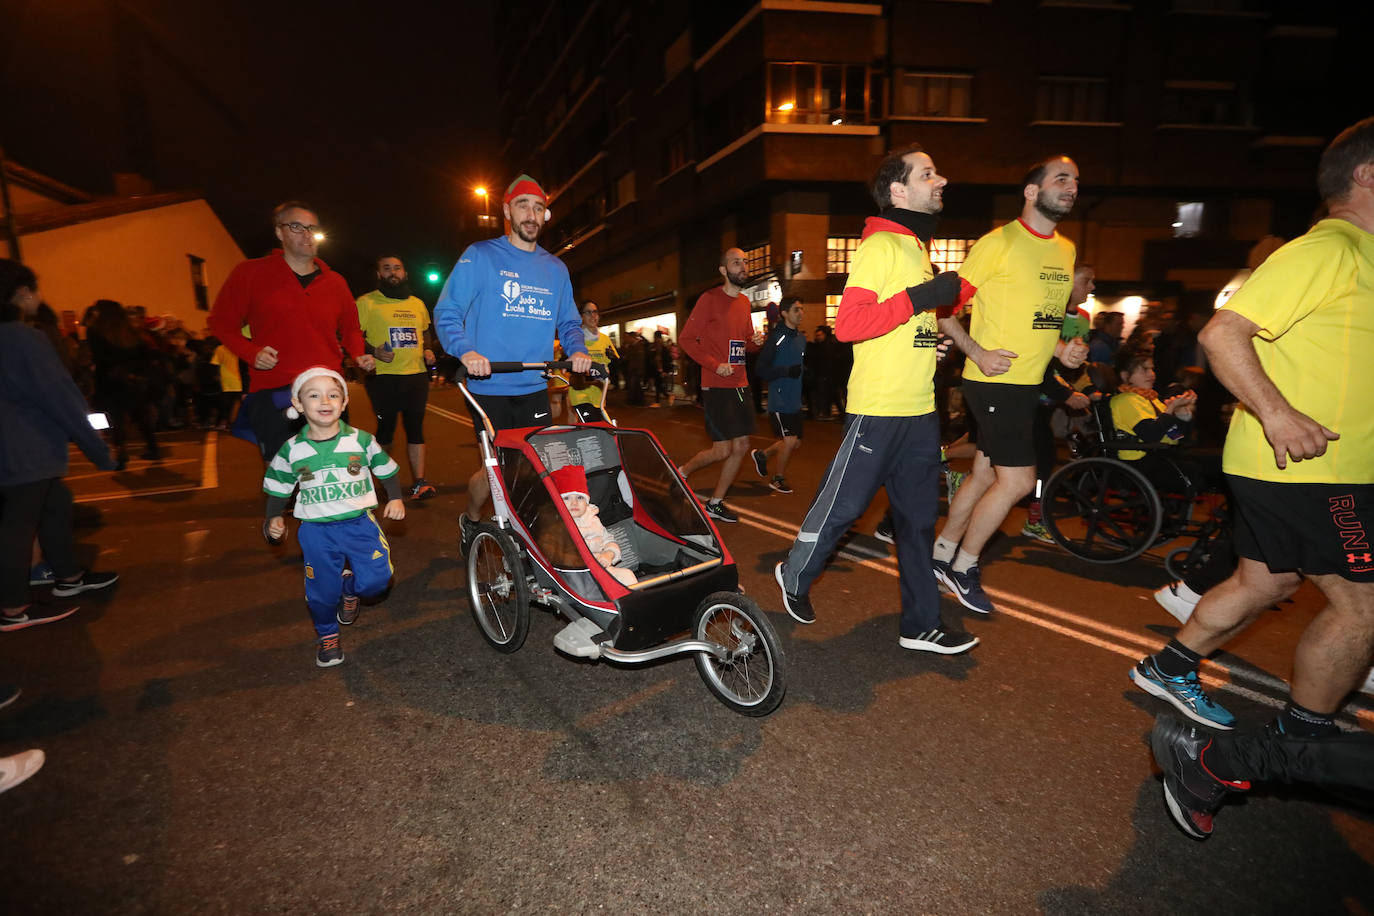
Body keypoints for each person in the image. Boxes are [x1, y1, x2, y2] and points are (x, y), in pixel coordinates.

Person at [1128, 116, 1374, 836]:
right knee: (1364, 608)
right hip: (1310, 467)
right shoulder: (1331, 249)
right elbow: (1220, 333)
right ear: (1366, 175)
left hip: (1313, 467)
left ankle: (1172, 664)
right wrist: (1278, 413)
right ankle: (1301, 738)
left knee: (1266, 581)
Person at [773, 144, 978, 655]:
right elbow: (849, 325)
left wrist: (931, 341)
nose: (941, 180)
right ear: (898, 190)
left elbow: (902, 326)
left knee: (917, 521)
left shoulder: (916, 251)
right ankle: (793, 573)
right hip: (879, 410)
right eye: (928, 173)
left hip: (919, 411)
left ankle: (921, 624)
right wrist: (921, 300)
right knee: (844, 509)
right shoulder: (880, 247)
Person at [933, 155, 1080, 615]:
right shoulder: (998, 244)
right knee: (1018, 482)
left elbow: (1040, 317)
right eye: (1061, 179)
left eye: (1075, 181)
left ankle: (940, 556)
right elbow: (943, 307)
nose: (1071, 187)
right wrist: (976, 352)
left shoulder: (1066, 250)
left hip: (1027, 383)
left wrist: (1060, 350)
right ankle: (964, 567)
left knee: (982, 475)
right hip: (994, 382)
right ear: (1031, 192)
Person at [433, 175, 591, 552]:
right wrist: (466, 351)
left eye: (538, 208)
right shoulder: (481, 255)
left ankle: (524, 542)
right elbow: (448, 310)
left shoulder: (555, 269)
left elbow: (569, 323)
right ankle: (472, 518)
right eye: (523, 206)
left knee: (533, 469)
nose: (531, 215)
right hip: (489, 387)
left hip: (535, 386)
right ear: (507, 211)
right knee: (499, 470)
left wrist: (577, 350)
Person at [208, 201, 374, 475]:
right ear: (279, 233)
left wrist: (358, 355)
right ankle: (279, 514)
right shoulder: (250, 273)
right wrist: (251, 352)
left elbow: (351, 329)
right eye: (296, 227)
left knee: (332, 472)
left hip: (326, 391)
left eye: (312, 228)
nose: (307, 234)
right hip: (275, 389)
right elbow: (220, 322)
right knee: (282, 472)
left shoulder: (336, 282)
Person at [1, 260, 119, 630]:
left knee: (57, 503)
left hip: (13, 450)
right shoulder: (23, 338)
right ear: (22, 294)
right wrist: (98, 449)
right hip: (26, 449)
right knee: (19, 525)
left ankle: (68, 577)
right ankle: (12, 607)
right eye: (35, 291)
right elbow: (60, 397)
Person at [263, 368, 405, 667]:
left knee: (377, 582)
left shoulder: (362, 441)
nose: (324, 400)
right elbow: (278, 487)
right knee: (322, 592)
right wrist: (273, 519)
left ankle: (351, 588)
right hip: (316, 532)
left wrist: (395, 497)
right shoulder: (292, 450)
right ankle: (327, 634)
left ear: (344, 402)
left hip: (359, 525)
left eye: (333, 394)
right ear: (298, 404)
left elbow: (386, 469)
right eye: (313, 395)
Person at [676, 248, 762, 523]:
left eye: (745, 261)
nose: (743, 266)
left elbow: (745, 342)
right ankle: (682, 472)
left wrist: (755, 343)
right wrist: (715, 364)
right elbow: (687, 340)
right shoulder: (710, 299)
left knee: (741, 445)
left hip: (740, 383)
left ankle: (715, 502)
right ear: (724, 270)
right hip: (716, 383)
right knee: (722, 449)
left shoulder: (745, 303)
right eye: (737, 262)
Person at [356, 255, 438, 500]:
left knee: (415, 429)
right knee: (386, 429)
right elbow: (351, 336)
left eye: (397, 268)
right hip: (383, 377)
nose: (393, 272)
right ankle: (380, 481)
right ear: (379, 274)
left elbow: (425, 332)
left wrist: (428, 349)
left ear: (405, 273)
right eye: (387, 269)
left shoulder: (417, 303)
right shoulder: (366, 302)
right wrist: (373, 351)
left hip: (416, 375)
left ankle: (419, 483)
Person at [86, 298, 162, 469]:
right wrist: (136, 373)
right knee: (140, 415)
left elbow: (99, 356)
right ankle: (153, 447)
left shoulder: (95, 331)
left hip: (108, 380)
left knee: (114, 417)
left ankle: (121, 452)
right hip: (131, 381)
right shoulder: (131, 331)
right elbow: (145, 355)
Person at [750, 296, 807, 494]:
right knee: (790, 440)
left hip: (795, 398)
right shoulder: (776, 337)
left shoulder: (801, 338)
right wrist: (785, 371)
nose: (801, 313)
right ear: (784, 313)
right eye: (796, 310)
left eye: (801, 309)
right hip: (780, 399)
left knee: (794, 442)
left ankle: (763, 455)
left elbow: (796, 364)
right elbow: (760, 369)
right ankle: (777, 479)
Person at [565, 301, 619, 420]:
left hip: (599, 393)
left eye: (595, 312)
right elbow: (565, 364)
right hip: (580, 392)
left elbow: (613, 363)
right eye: (588, 312)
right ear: (581, 316)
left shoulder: (605, 339)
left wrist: (608, 372)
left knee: (595, 430)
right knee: (592, 427)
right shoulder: (576, 340)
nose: (592, 316)